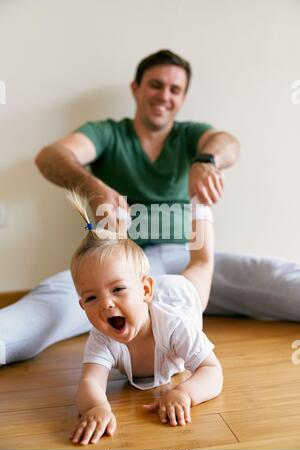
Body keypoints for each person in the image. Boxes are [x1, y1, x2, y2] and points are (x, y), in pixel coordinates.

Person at [1, 49, 300, 366]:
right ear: (136, 88)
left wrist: (206, 161)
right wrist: (91, 186)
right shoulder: (108, 133)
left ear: (183, 98)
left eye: (175, 90)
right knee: (43, 311)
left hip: (188, 257)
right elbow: (50, 156)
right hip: (120, 269)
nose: (164, 96)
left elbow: (229, 143)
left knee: (276, 277)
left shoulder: (190, 136)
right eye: (156, 85)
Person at [66, 190, 223, 445]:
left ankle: (199, 204)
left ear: (146, 290)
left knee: (202, 263)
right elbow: (90, 383)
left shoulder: (174, 325)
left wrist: (185, 393)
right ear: (82, 306)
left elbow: (212, 370)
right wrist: (96, 407)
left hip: (178, 297)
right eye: (92, 298)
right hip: (143, 302)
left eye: (117, 289)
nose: (106, 304)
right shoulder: (101, 339)